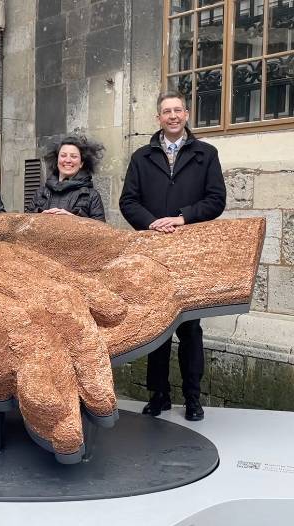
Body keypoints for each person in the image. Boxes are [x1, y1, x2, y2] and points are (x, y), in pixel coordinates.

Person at [119, 91, 226, 421]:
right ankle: (159, 394)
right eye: (166, 111)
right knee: (157, 328)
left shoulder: (206, 154)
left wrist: (183, 217)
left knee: (190, 329)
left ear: (187, 114)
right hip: (154, 253)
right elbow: (128, 201)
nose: (173, 116)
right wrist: (151, 223)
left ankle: (193, 398)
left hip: (188, 253)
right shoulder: (141, 157)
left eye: (178, 110)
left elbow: (216, 199)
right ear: (158, 118)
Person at [26, 136, 106, 222]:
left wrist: (74, 220)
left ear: (81, 163)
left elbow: (102, 230)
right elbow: (23, 226)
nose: (68, 160)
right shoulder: (40, 193)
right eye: (63, 155)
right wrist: (39, 219)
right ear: (57, 160)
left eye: (74, 156)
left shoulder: (92, 196)